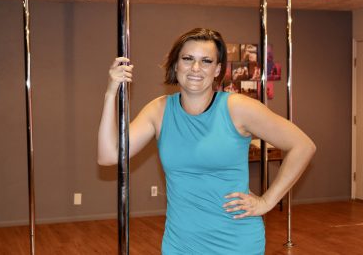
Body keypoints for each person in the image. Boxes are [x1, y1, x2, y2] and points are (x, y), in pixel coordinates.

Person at [97, 28, 316, 254]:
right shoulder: (159, 110)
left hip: (235, 241)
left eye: (206, 61)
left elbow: (303, 145)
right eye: (188, 59)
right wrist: (110, 93)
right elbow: (108, 155)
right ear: (175, 65)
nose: (195, 68)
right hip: (180, 243)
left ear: (217, 69)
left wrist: (267, 201)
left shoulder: (237, 108)